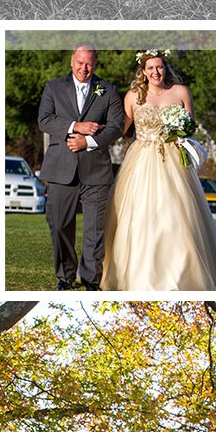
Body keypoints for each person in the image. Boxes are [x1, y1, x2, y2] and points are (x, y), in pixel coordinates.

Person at [100, 52, 216, 291]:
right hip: (142, 159)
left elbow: (191, 126)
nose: (156, 72)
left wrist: (179, 135)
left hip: (174, 159)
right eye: (151, 68)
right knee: (140, 214)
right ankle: (136, 274)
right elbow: (122, 129)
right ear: (143, 71)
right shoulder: (133, 96)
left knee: (177, 215)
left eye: (160, 67)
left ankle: (183, 273)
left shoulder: (181, 92)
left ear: (166, 68)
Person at [37, 44, 125, 290]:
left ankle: (91, 280)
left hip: (95, 170)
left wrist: (90, 141)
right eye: (79, 62)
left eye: (89, 64)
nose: (83, 68)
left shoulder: (108, 90)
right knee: (59, 225)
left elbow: (117, 126)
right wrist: (76, 126)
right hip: (59, 169)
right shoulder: (53, 87)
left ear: (95, 64)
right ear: (71, 62)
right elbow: (44, 120)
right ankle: (65, 276)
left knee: (94, 231)